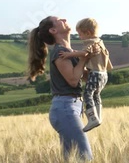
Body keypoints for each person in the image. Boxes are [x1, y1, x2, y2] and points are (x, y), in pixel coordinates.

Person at [27, 16, 93, 161]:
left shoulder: (69, 51)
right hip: (65, 109)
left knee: (72, 158)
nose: (64, 18)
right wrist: (83, 58)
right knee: (85, 157)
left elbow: (84, 77)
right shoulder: (60, 53)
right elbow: (73, 80)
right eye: (59, 20)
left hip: (70, 108)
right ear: (53, 30)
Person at [59, 18, 113, 132]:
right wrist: (75, 51)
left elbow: (85, 53)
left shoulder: (90, 42)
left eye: (80, 34)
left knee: (88, 94)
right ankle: (98, 117)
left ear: (87, 32)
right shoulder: (100, 42)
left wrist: (69, 54)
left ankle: (92, 118)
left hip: (95, 73)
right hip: (104, 74)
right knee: (96, 95)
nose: (80, 37)